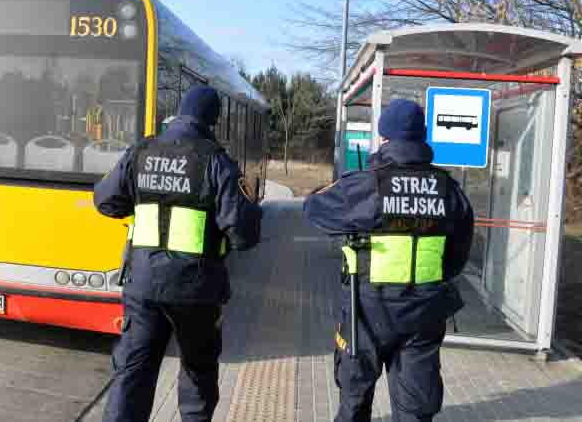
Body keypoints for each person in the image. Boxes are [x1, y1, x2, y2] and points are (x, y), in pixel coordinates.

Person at [94, 85, 263, 422]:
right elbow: (244, 235)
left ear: (178, 113)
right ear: (212, 121)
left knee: (133, 371)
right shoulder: (216, 161)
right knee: (197, 372)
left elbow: (105, 201)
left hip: (142, 285)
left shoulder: (140, 151)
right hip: (196, 291)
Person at [304, 99, 474, 422]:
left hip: (367, 311)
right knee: (415, 410)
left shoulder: (367, 184)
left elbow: (314, 210)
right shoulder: (448, 189)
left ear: (384, 139)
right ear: (422, 138)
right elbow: (457, 254)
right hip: (424, 313)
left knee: (354, 402)